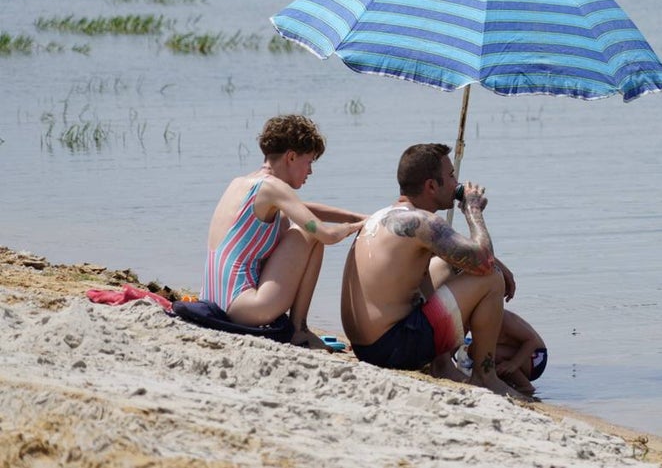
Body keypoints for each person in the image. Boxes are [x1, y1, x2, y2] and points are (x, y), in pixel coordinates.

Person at [340, 143, 523, 399]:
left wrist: (494, 260)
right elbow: (484, 262)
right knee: (491, 279)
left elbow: (458, 253)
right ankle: (486, 375)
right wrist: (473, 210)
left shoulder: (387, 215)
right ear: (431, 186)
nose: (456, 182)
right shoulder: (422, 222)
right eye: (450, 176)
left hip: (367, 346)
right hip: (392, 348)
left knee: (447, 265)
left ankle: (443, 365)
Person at [201, 114, 363, 348]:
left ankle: (299, 329)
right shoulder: (273, 187)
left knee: (294, 222)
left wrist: (354, 216)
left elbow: (301, 208)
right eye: (309, 162)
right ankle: (299, 330)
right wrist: (356, 226)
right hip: (244, 308)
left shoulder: (243, 183)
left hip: (215, 301)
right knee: (309, 235)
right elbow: (326, 236)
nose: (310, 172)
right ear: (291, 157)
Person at [494, 309, 548, 395]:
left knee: (492, 353)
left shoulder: (505, 319)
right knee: (474, 350)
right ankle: (508, 380)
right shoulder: (472, 315)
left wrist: (514, 364)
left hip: (535, 357)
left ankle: (524, 385)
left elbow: (532, 340)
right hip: (513, 352)